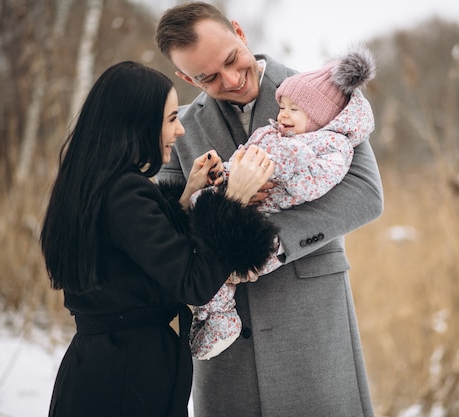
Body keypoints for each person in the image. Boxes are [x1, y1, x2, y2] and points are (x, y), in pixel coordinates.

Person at [155, 3, 383, 416]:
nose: (230, 78)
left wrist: (269, 240)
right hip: (225, 347)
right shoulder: (180, 126)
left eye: (231, 59)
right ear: (186, 78)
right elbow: (161, 225)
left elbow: (366, 193)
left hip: (309, 321)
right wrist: (213, 204)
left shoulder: (321, 91)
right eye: (207, 77)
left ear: (239, 33)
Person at [39, 60, 278, 417]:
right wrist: (233, 201)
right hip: (128, 376)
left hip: (102, 366)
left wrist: (184, 200)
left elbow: (132, 256)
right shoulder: (125, 192)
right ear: (137, 123)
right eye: (170, 120)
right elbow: (193, 282)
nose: (180, 131)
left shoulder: (95, 183)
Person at [188, 48, 377, 361]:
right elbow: (245, 155)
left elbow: (320, 180)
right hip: (240, 204)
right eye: (283, 107)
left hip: (268, 230)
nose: (284, 115)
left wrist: (278, 161)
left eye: (295, 110)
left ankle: (220, 318)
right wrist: (225, 172)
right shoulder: (273, 132)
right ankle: (213, 315)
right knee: (201, 223)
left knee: (223, 262)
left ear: (319, 118)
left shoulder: (331, 144)